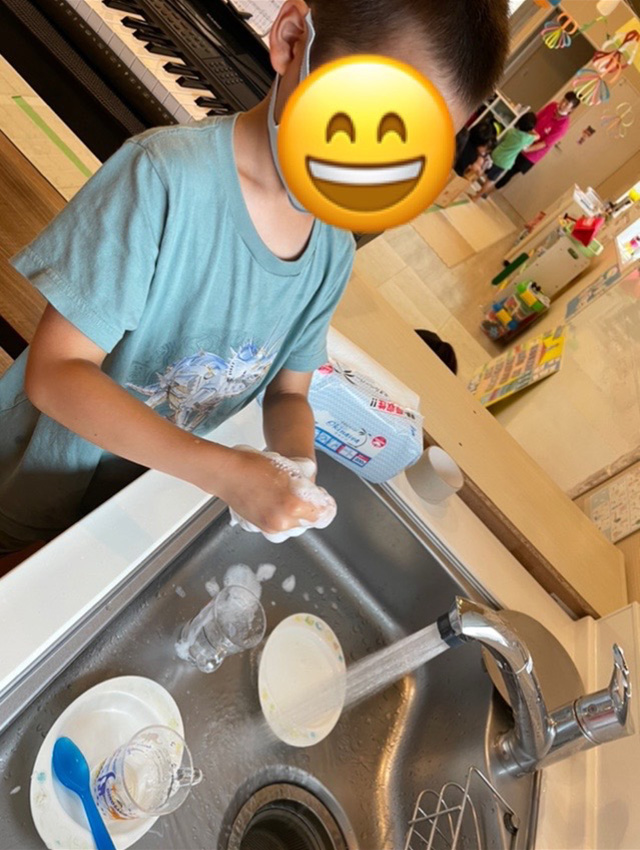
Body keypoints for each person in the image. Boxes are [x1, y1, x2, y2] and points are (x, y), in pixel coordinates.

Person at [0, 0, 510, 559]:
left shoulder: (332, 253)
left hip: (131, 498)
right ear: (291, 40)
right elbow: (56, 373)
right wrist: (223, 472)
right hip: (30, 481)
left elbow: (289, 392)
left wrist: (296, 464)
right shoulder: (164, 177)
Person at [495, 91, 580, 189]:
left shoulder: (563, 126)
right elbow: (535, 119)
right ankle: (487, 181)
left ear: (571, 109)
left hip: (532, 154)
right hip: (525, 139)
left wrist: (527, 149)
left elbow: (545, 143)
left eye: (567, 104)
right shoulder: (552, 106)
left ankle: (489, 191)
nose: (562, 104)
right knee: (502, 159)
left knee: (510, 172)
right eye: (563, 100)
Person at [475, 111, 538, 198]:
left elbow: (502, 141)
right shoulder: (526, 139)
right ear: (531, 128)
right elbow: (537, 136)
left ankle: (466, 183)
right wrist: (532, 131)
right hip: (504, 163)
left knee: (481, 170)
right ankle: (476, 197)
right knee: (490, 180)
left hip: (495, 155)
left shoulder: (511, 131)